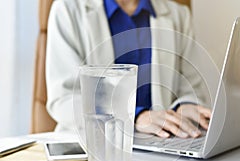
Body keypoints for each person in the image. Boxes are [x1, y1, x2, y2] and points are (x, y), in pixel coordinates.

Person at [46, 0, 211, 138]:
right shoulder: (68, 10)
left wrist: (184, 107)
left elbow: (191, 88)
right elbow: (64, 99)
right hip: (93, 144)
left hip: (162, 144)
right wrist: (134, 116)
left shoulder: (179, 15)